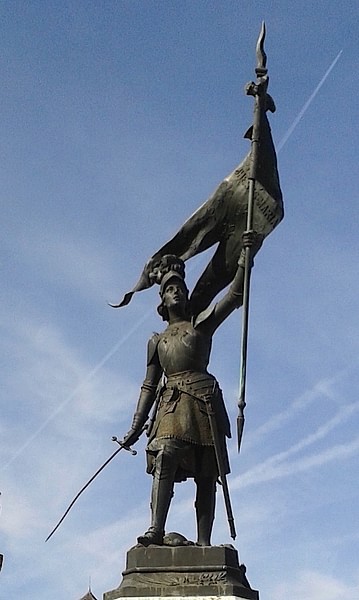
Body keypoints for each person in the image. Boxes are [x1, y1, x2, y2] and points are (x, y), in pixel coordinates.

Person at [123, 231, 261, 547]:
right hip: (171, 403)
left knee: (206, 473)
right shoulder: (156, 341)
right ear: (162, 301)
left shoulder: (200, 325)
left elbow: (234, 297)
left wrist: (245, 260)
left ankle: (203, 543)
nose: (177, 293)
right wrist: (135, 426)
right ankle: (155, 530)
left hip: (204, 401)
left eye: (180, 289)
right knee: (166, 454)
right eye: (170, 289)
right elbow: (148, 384)